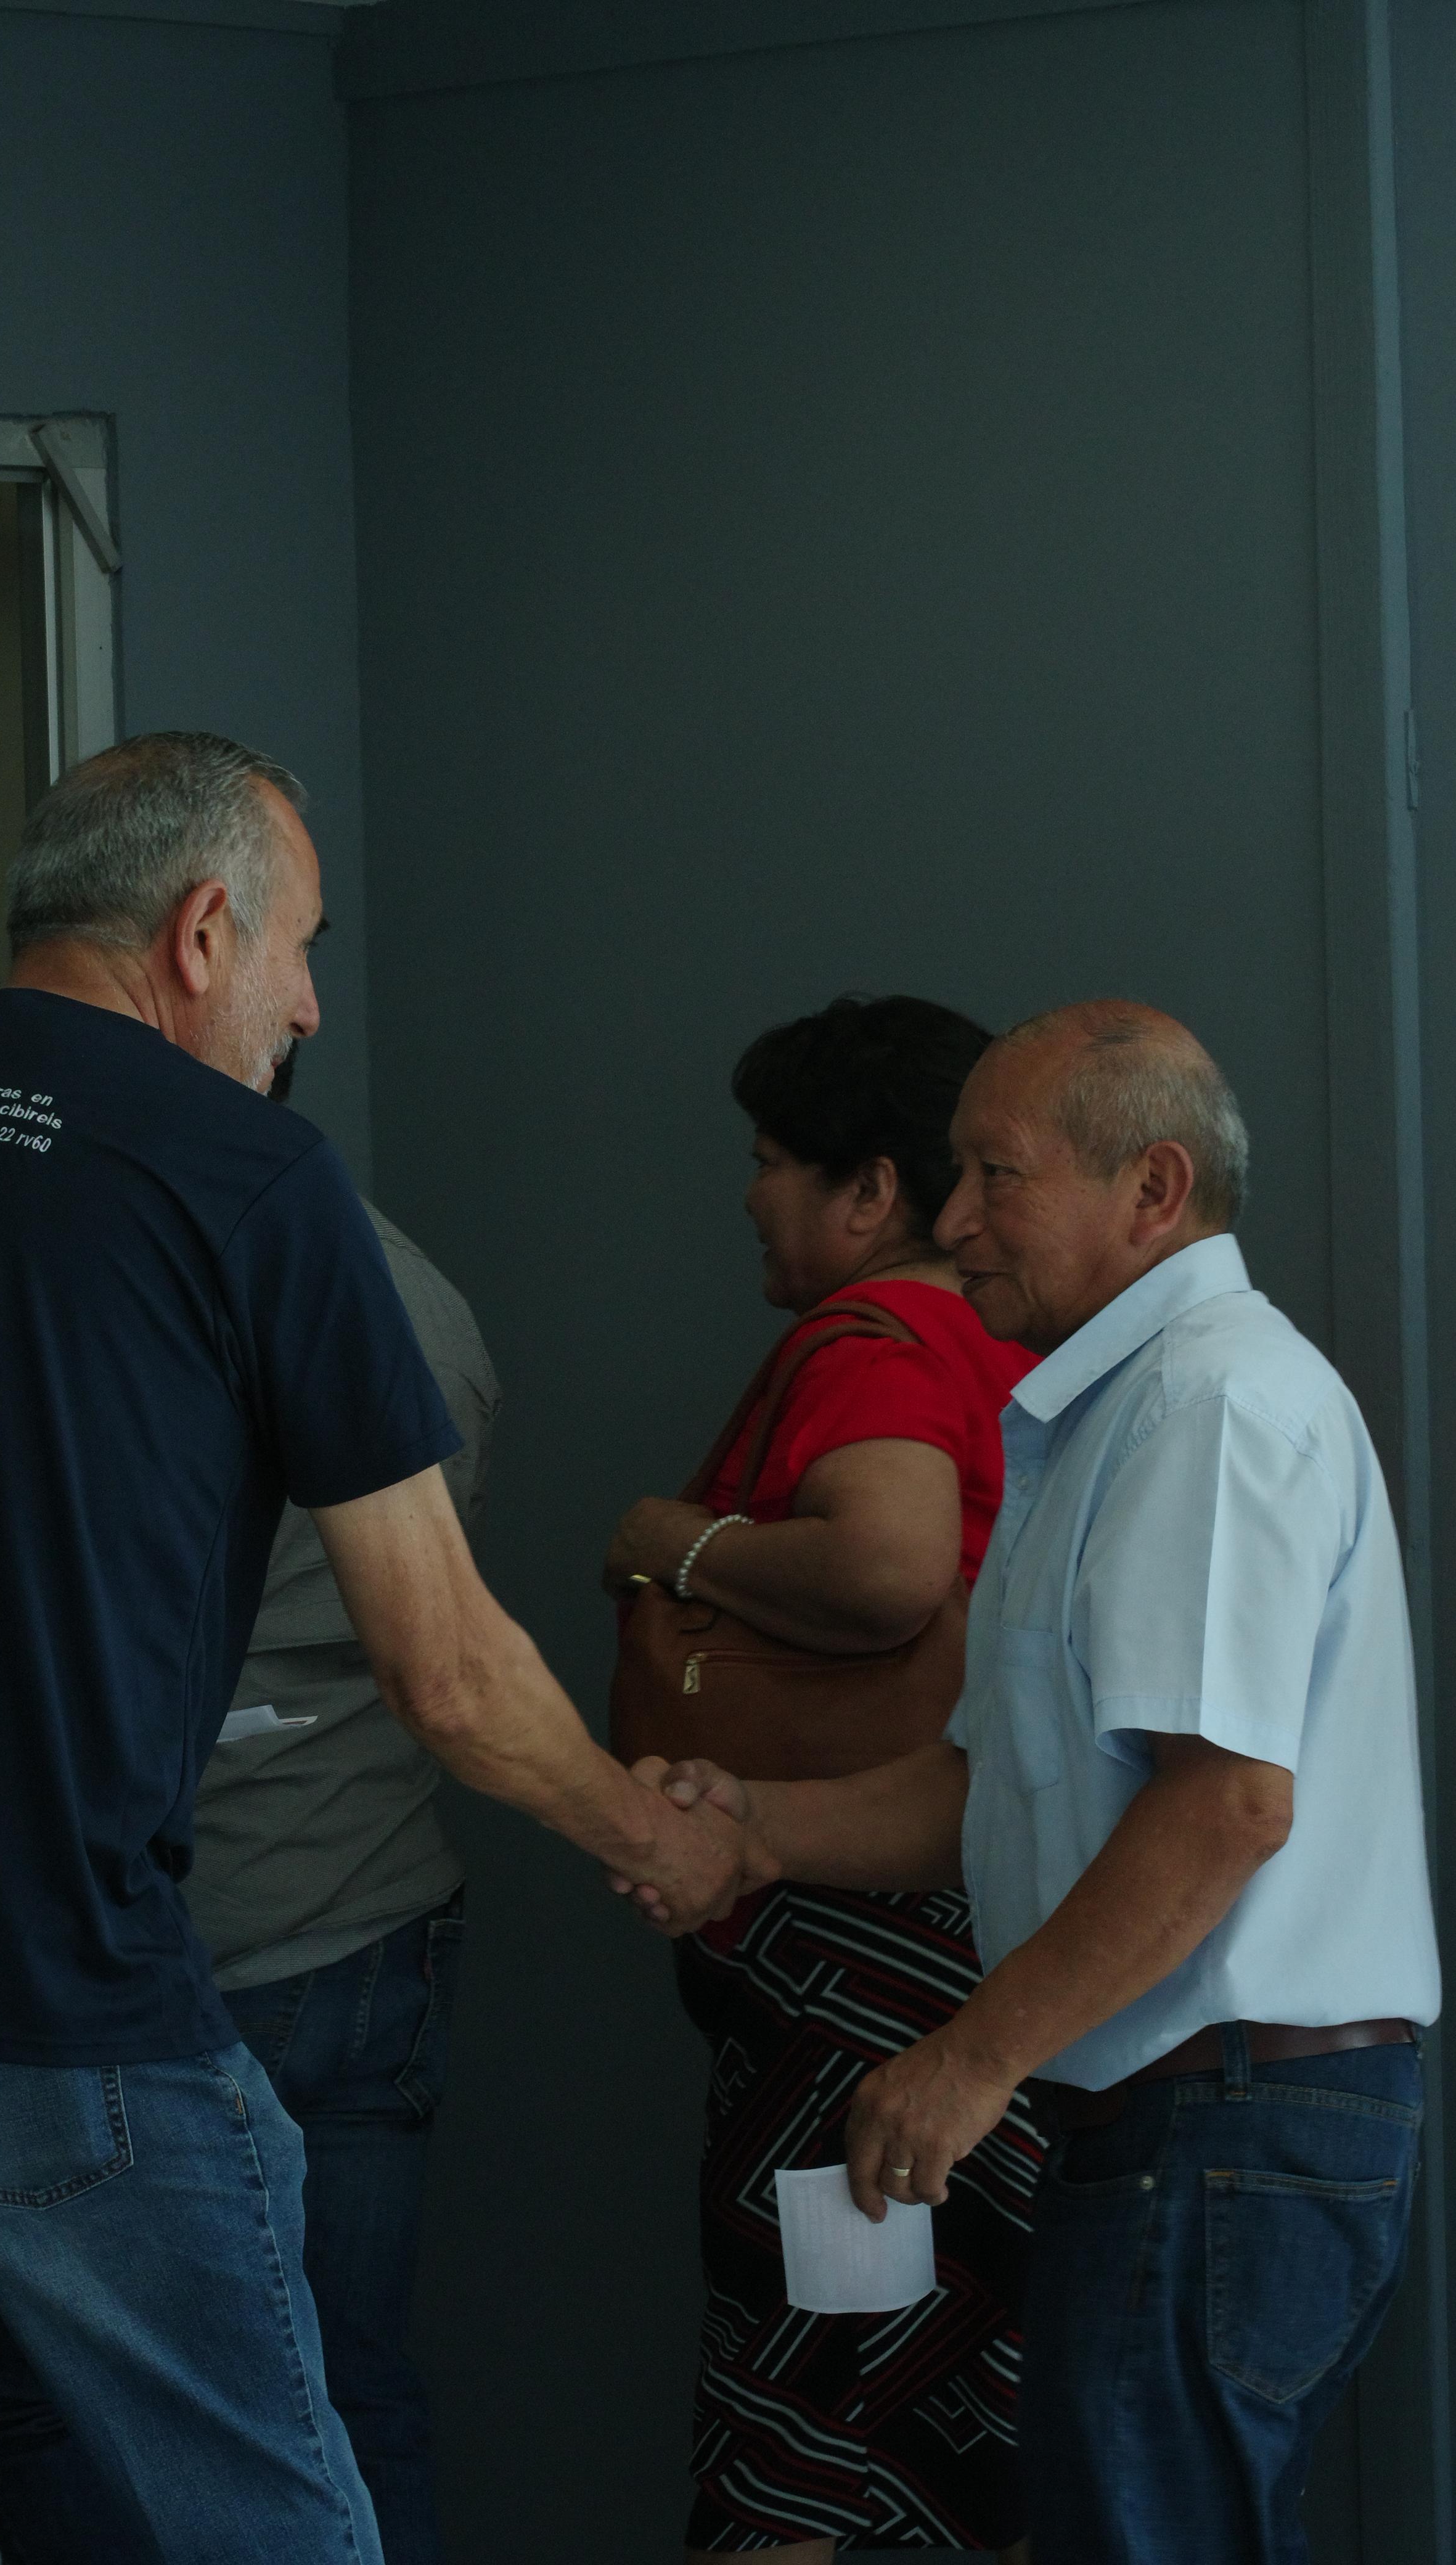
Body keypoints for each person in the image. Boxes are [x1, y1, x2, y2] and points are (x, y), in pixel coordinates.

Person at [0, 731, 737, 2565]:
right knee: (268, 2521)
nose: (300, 1006)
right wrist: (651, 1834)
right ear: (204, 930)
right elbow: (444, 1669)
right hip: (53, 1991)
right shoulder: (247, 1176)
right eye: (303, 949)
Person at [629, 1001, 1441, 2565]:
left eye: (995, 1176)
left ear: (1151, 1189)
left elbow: (1224, 1805)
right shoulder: (1120, 1407)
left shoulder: (1205, 1404)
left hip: (1220, 2119)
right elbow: (996, 1789)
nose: (950, 1222)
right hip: (1193, 2123)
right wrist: (753, 1834)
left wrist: (965, 2060)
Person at [0, 1080, 496, 2565]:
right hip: (374, 1922)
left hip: (156, 1949)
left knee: (31, 2393)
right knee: (343, 2390)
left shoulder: (123, 1285)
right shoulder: (413, 1289)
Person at [603, 996, 1041, 2563]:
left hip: (854, 1966)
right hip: (950, 1933)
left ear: (871, 1188)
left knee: (813, 2404)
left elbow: (888, 1564)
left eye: (773, 1159)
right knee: (935, 2399)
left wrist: (673, 1539)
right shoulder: (1003, 1341)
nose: (748, 1193)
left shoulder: (872, 1339)